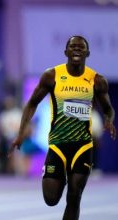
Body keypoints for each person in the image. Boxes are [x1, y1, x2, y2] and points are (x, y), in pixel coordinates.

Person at [9, 36, 116, 220]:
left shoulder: (97, 80)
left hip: (83, 146)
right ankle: (63, 176)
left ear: (87, 53)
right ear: (66, 52)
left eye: (81, 47)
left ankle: (71, 179)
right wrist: (21, 134)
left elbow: (108, 109)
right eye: (73, 46)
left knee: (74, 197)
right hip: (58, 145)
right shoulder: (52, 76)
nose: (76, 50)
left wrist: (109, 120)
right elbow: (31, 104)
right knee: (51, 199)